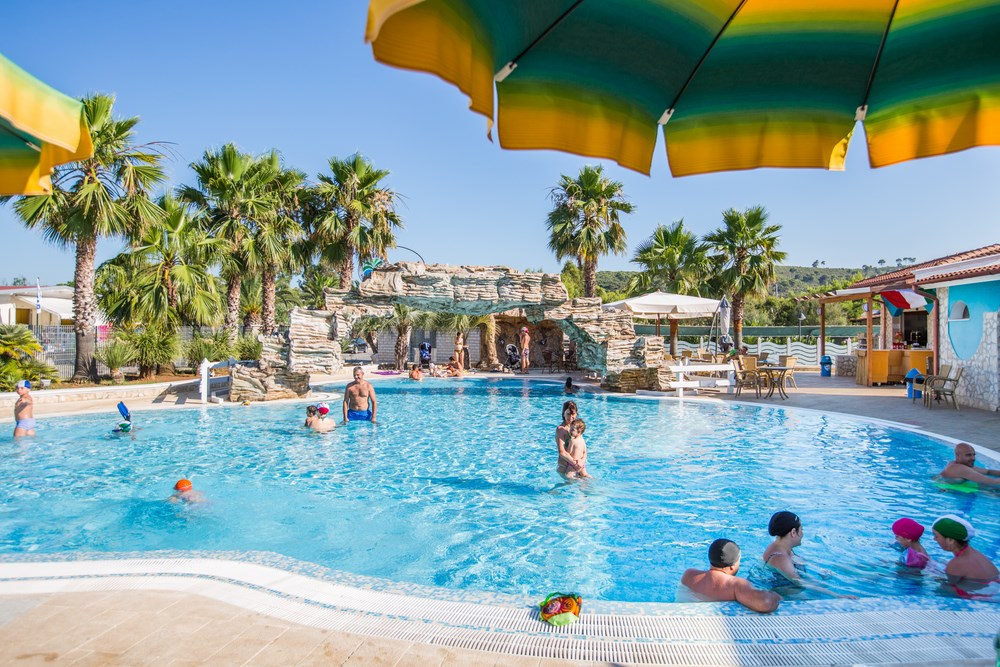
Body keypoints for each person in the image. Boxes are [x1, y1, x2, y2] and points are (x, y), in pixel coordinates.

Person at [762, 511, 853, 598]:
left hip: (790, 587)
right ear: (793, 532)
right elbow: (800, 582)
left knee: (839, 570)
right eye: (801, 529)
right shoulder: (780, 557)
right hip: (786, 595)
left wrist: (820, 571)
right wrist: (837, 596)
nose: (802, 534)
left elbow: (799, 563)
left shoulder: (783, 547)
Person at [681, 539, 781, 613]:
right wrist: (776, 596)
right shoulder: (735, 584)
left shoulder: (689, 575)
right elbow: (765, 603)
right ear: (733, 566)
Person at [931, 515, 999, 587]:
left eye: (936, 536)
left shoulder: (956, 564)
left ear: (950, 540)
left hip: (981, 595)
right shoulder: (974, 553)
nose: (934, 539)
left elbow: (946, 587)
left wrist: (930, 574)